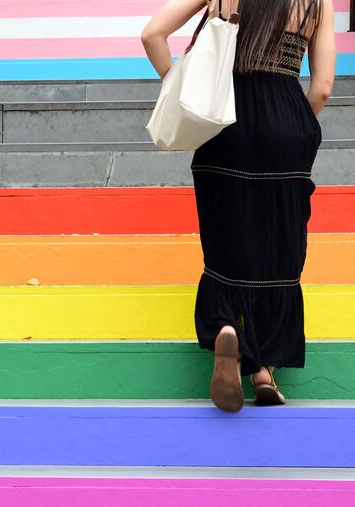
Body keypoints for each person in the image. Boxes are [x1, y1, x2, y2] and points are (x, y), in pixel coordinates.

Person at [141, 0, 336, 412]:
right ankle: (264, 368)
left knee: (227, 236)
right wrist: (295, 120)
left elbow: (152, 35)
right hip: (288, 123)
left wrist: (184, 93)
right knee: (280, 245)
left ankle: (227, 325)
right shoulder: (316, 2)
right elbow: (321, 87)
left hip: (223, 121)